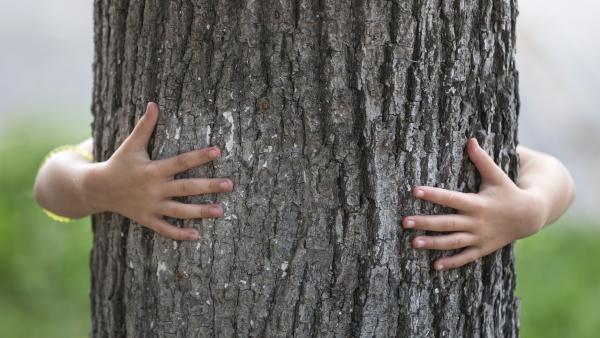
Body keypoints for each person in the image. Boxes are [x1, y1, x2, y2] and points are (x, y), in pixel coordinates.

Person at [32, 102, 575, 271]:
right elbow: (50, 182)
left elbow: (551, 171)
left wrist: (528, 211)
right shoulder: (143, 160)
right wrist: (101, 187)